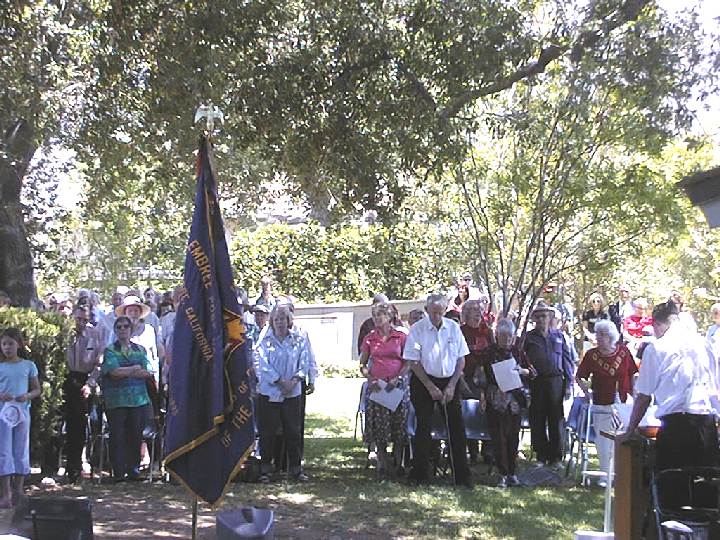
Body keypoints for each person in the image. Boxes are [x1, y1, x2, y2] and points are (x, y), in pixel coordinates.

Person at [617, 301, 719, 505]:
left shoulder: (657, 348)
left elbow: (644, 396)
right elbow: (715, 388)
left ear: (656, 324)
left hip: (677, 427)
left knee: (673, 490)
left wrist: (630, 429)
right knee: (706, 493)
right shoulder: (703, 344)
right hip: (705, 425)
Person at [403, 293, 472, 487]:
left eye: (440, 312)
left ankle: (462, 476)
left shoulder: (453, 328)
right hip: (423, 381)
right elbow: (413, 361)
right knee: (423, 428)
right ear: (427, 311)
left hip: (450, 380)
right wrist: (430, 386)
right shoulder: (417, 330)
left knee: (456, 428)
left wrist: (451, 386)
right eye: (433, 312)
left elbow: (461, 359)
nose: (436, 316)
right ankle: (419, 475)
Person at [575, 320, 637, 482]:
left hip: (622, 404)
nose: (598, 338)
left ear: (610, 336)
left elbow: (632, 374)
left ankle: (621, 476)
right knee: (603, 441)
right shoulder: (592, 355)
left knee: (622, 440)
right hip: (601, 404)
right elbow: (580, 376)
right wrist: (587, 393)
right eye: (597, 334)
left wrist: (635, 394)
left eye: (602, 335)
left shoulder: (623, 352)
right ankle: (606, 477)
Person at [255, 305, 309, 482]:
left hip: (292, 393)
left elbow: (304, 362)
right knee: (268, 433)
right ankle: (265, 469)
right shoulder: (265, 341)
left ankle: (295, 469)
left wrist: (293, 381)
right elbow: (262, 365)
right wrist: (279, 381)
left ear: (288, 321)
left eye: (282, 319)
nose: (279, 322)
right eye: (276, 319)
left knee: (293, 432)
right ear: (272, 321)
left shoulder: (298, 340)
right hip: (270, 393)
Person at [478, 318, 534, 487]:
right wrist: (484, 395)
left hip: (514, 401)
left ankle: (512, 473)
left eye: (510, 336)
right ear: (497, 335)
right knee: (498, 438)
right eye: (503, 335)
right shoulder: (489, 353)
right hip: (496, 400)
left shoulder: (518, 352)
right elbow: (480, 378)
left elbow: (532, 372)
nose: (507, 339)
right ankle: (502, 473)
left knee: (513, 437)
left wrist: (521, 371)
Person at [101, 316, 154, 482]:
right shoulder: (110, 350)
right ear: (115, 330)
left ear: (131, 330)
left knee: (135, 435)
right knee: (117, 436)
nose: (122, 329)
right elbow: (113, 372)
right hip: (116, 401)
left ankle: (133, 470)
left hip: (138, 400)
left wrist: (125, 370)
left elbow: (148, 371)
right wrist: (134, 369)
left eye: (126, 326)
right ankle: (118, 472)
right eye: (119, 327)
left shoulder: (140, 350)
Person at [358, 302, 409, 478]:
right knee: (380, 426)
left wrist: (399, 378)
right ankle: (381, 463)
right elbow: (362, 364)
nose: (377, 319)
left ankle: (399, 462)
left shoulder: (400, 336)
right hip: (377, 386)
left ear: (389, 316)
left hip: (396, 386)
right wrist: (370, 378)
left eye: (380, 315)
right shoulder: (370, 338)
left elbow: (408, 362)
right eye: (374, 316)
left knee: (399, 425)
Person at [523, 301, 574, 468]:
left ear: (550, 317)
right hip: (536, 382)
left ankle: (556, 457)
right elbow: (522, 359)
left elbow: (567, 361)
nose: (541, 319)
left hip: (556, 381)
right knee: (537, 418)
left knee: (556, 419)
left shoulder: (559, 336)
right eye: (538, 316)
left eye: (544, 316)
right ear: (534, 319)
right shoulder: (528, 338)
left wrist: (569, 383)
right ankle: (541, 456)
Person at [0, 328, 40, 508]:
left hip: (22, 413)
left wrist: (27, 396)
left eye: (10, 343)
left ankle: (19, 490)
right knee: (4, 450)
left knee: (21, 449)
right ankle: (6, 493)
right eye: (4, 344)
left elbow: (37, 389)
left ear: (19, 345)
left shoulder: (28, 365)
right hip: (3, 415)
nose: (7, 347)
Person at [63, 305, 103, 483]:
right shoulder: (64, 333)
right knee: (60, 426)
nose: (81, 323)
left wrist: (90, 384)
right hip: (65, 379)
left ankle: (76, 468)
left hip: (84, 381)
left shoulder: (94, 334)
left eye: (85, 320)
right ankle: (55, 467)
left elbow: (99, 363)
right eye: (78, 319)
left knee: (79, 427)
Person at [459, 299, 494, 462]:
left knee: (488, 411)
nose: (477, 313)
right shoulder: (460, 331)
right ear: (466, 314)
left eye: (479, 310)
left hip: (486, 378)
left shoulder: (487, 331)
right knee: (469, 411)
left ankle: (488, 451)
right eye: (473, 310)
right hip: (466, 377)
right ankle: (472, 451)